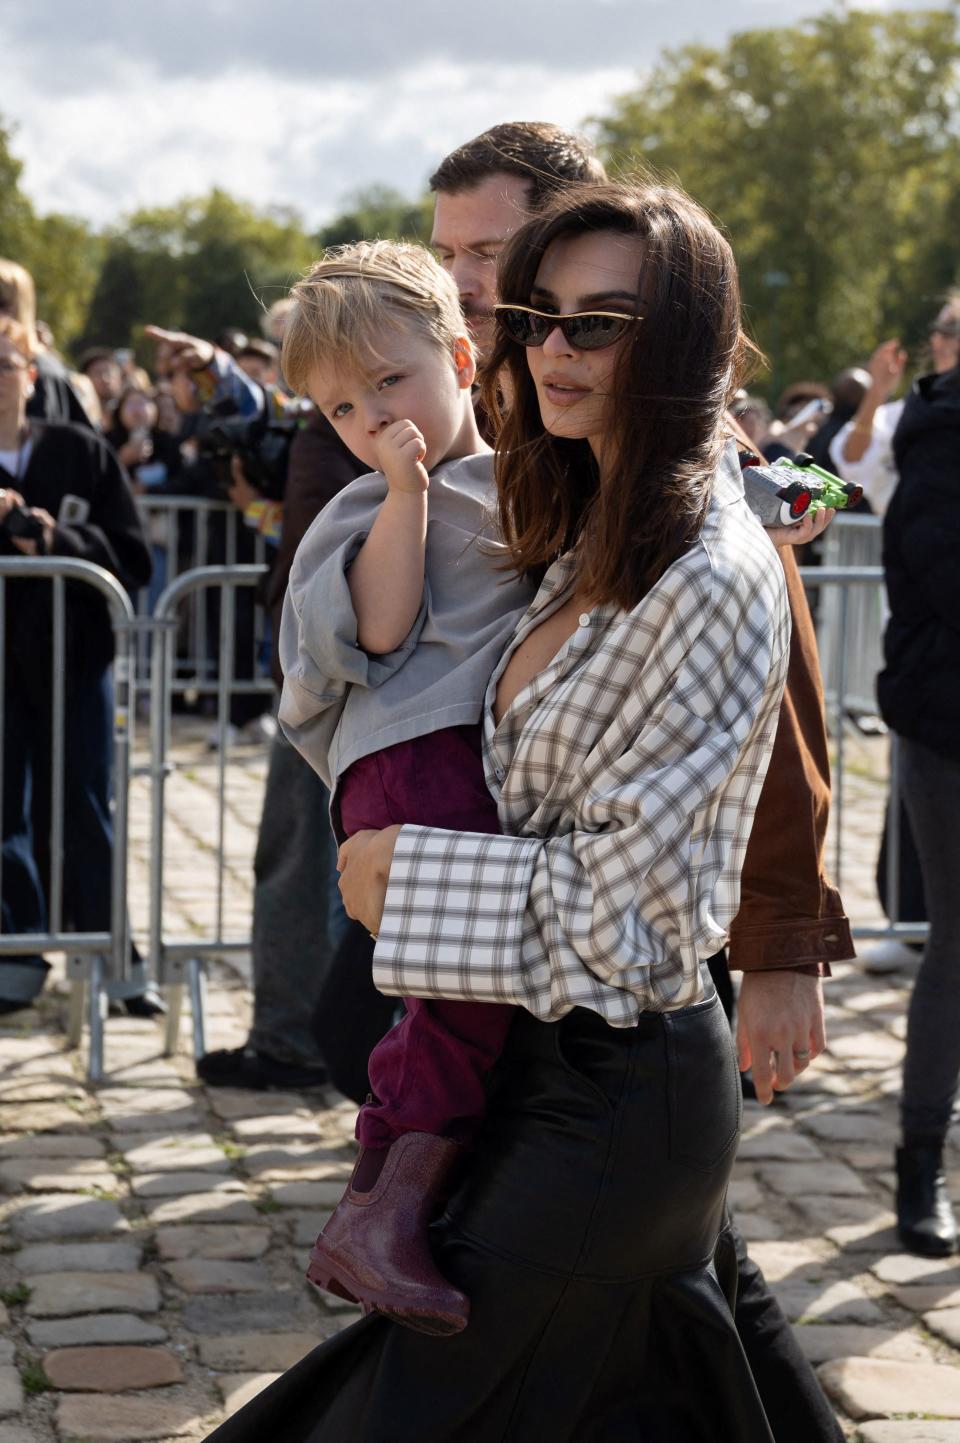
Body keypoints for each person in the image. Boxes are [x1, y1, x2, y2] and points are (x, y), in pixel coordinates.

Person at [209, 177, 790, 1443]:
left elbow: (636, 910)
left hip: (617, 1085)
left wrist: (396, 878)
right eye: (539, 316)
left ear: (682, 340)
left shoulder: (705, 565)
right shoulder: (575, 512)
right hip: (536, 1061)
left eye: (603, 323)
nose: (557, 349)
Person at [278, 239, 533, 1330]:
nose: (372, 417)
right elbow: (379, 628)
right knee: (466, 985)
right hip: (409, 763)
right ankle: (380, 1215)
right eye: (342, 407)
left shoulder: (523, 475)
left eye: (392, 381)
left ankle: (378, 1207)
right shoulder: (366, 507)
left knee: (452, 994)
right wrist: (402, 491)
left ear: (464, 361)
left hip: (464, 761)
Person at [0, 316, 158, 1015]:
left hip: (72, 657)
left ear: (31, 377)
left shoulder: (79, 451)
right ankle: (15, 953)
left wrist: (52, 535)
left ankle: (111, 952)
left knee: (84, 800)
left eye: (5, 364)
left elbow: (133, 554)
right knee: (3, 804)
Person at [877, 344, 960, 1257]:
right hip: (948, 726)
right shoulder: (939, 437)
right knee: (956, 945)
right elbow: (943, 573)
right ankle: (919, 1162)